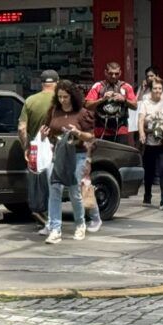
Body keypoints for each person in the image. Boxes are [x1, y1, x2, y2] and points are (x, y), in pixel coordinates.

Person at [41, 80, 98, 244]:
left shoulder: (81, 113)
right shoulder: (53, 111)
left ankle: (80, 224)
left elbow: (90, 136)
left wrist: (78, 132)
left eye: (65, 97)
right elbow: (46, 130)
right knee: (55, 190)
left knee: (74, 191)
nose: (62, 100)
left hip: (76, 154)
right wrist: (44, 135)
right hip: (56, 154)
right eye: (59, 97)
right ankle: (55, 228)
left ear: (72, 96)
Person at [18, 69, 59, 229]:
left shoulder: (30, 101)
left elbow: (22, 128)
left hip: (37, 147)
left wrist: (26, 147)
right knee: (54, 185)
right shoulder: (61, 101)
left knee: (37, 183)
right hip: (55, 148)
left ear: (42, 83)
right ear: (56, 83)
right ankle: (52, 220)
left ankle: (40, 212)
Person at [138, 78, 163, 210]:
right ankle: (147, 194)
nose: (158, 91)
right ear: (150, 89)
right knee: (149, 170)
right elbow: (141, 119)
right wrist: (142, 133)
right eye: (155, 88)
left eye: (160, 88)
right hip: (149, 142)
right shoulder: (145, 103)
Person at [86, 62, 138, 145]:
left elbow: (135, 106)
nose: (113, 76)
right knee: (102, 157)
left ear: (120, 73)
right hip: (101, 129)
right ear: (105, 72)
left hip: (121, 130)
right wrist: (102, 99)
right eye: (111, 73)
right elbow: (87, 105)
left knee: (120, 156)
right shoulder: (98, 86)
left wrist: (124, 100)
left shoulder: (126, 87)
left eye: (116, 74)